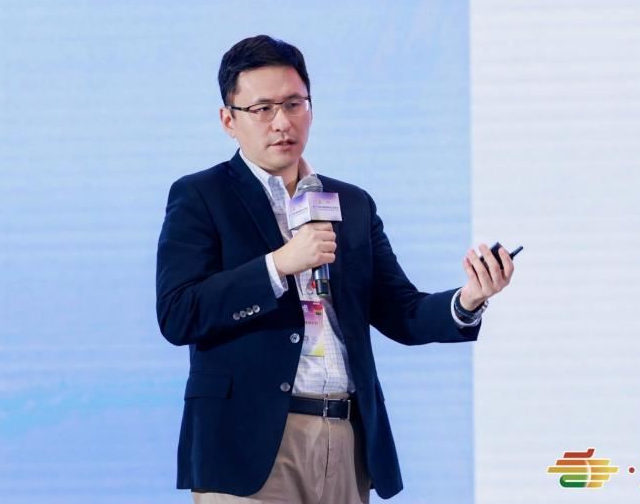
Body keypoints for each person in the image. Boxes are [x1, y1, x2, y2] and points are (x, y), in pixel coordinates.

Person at [156, 35, 515, 504]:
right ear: (229, 120)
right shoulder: (201, 195)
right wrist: (279, 265)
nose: (282, 122)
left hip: (346, 438)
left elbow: (401, 311)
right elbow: (178, 313)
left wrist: (468, 300)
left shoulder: (351, 203)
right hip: (248, 446)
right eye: (263, 109)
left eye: (294, 104)